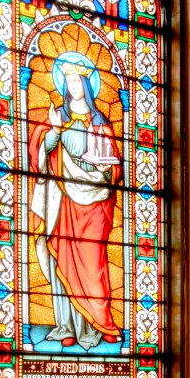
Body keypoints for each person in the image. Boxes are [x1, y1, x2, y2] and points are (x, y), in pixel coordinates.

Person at [29, 53, 122, 350]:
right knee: (62, 255)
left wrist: (104, 168)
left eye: (77, 81)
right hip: (63, 200)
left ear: (86, 84)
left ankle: (99, 323)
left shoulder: (100, 122)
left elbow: (114, 168)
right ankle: (66, 325)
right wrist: (55, 131)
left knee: (93, 262)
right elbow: (38, 155)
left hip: (95, 202)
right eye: (68, 81)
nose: (73, 87)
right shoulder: (57, 118)